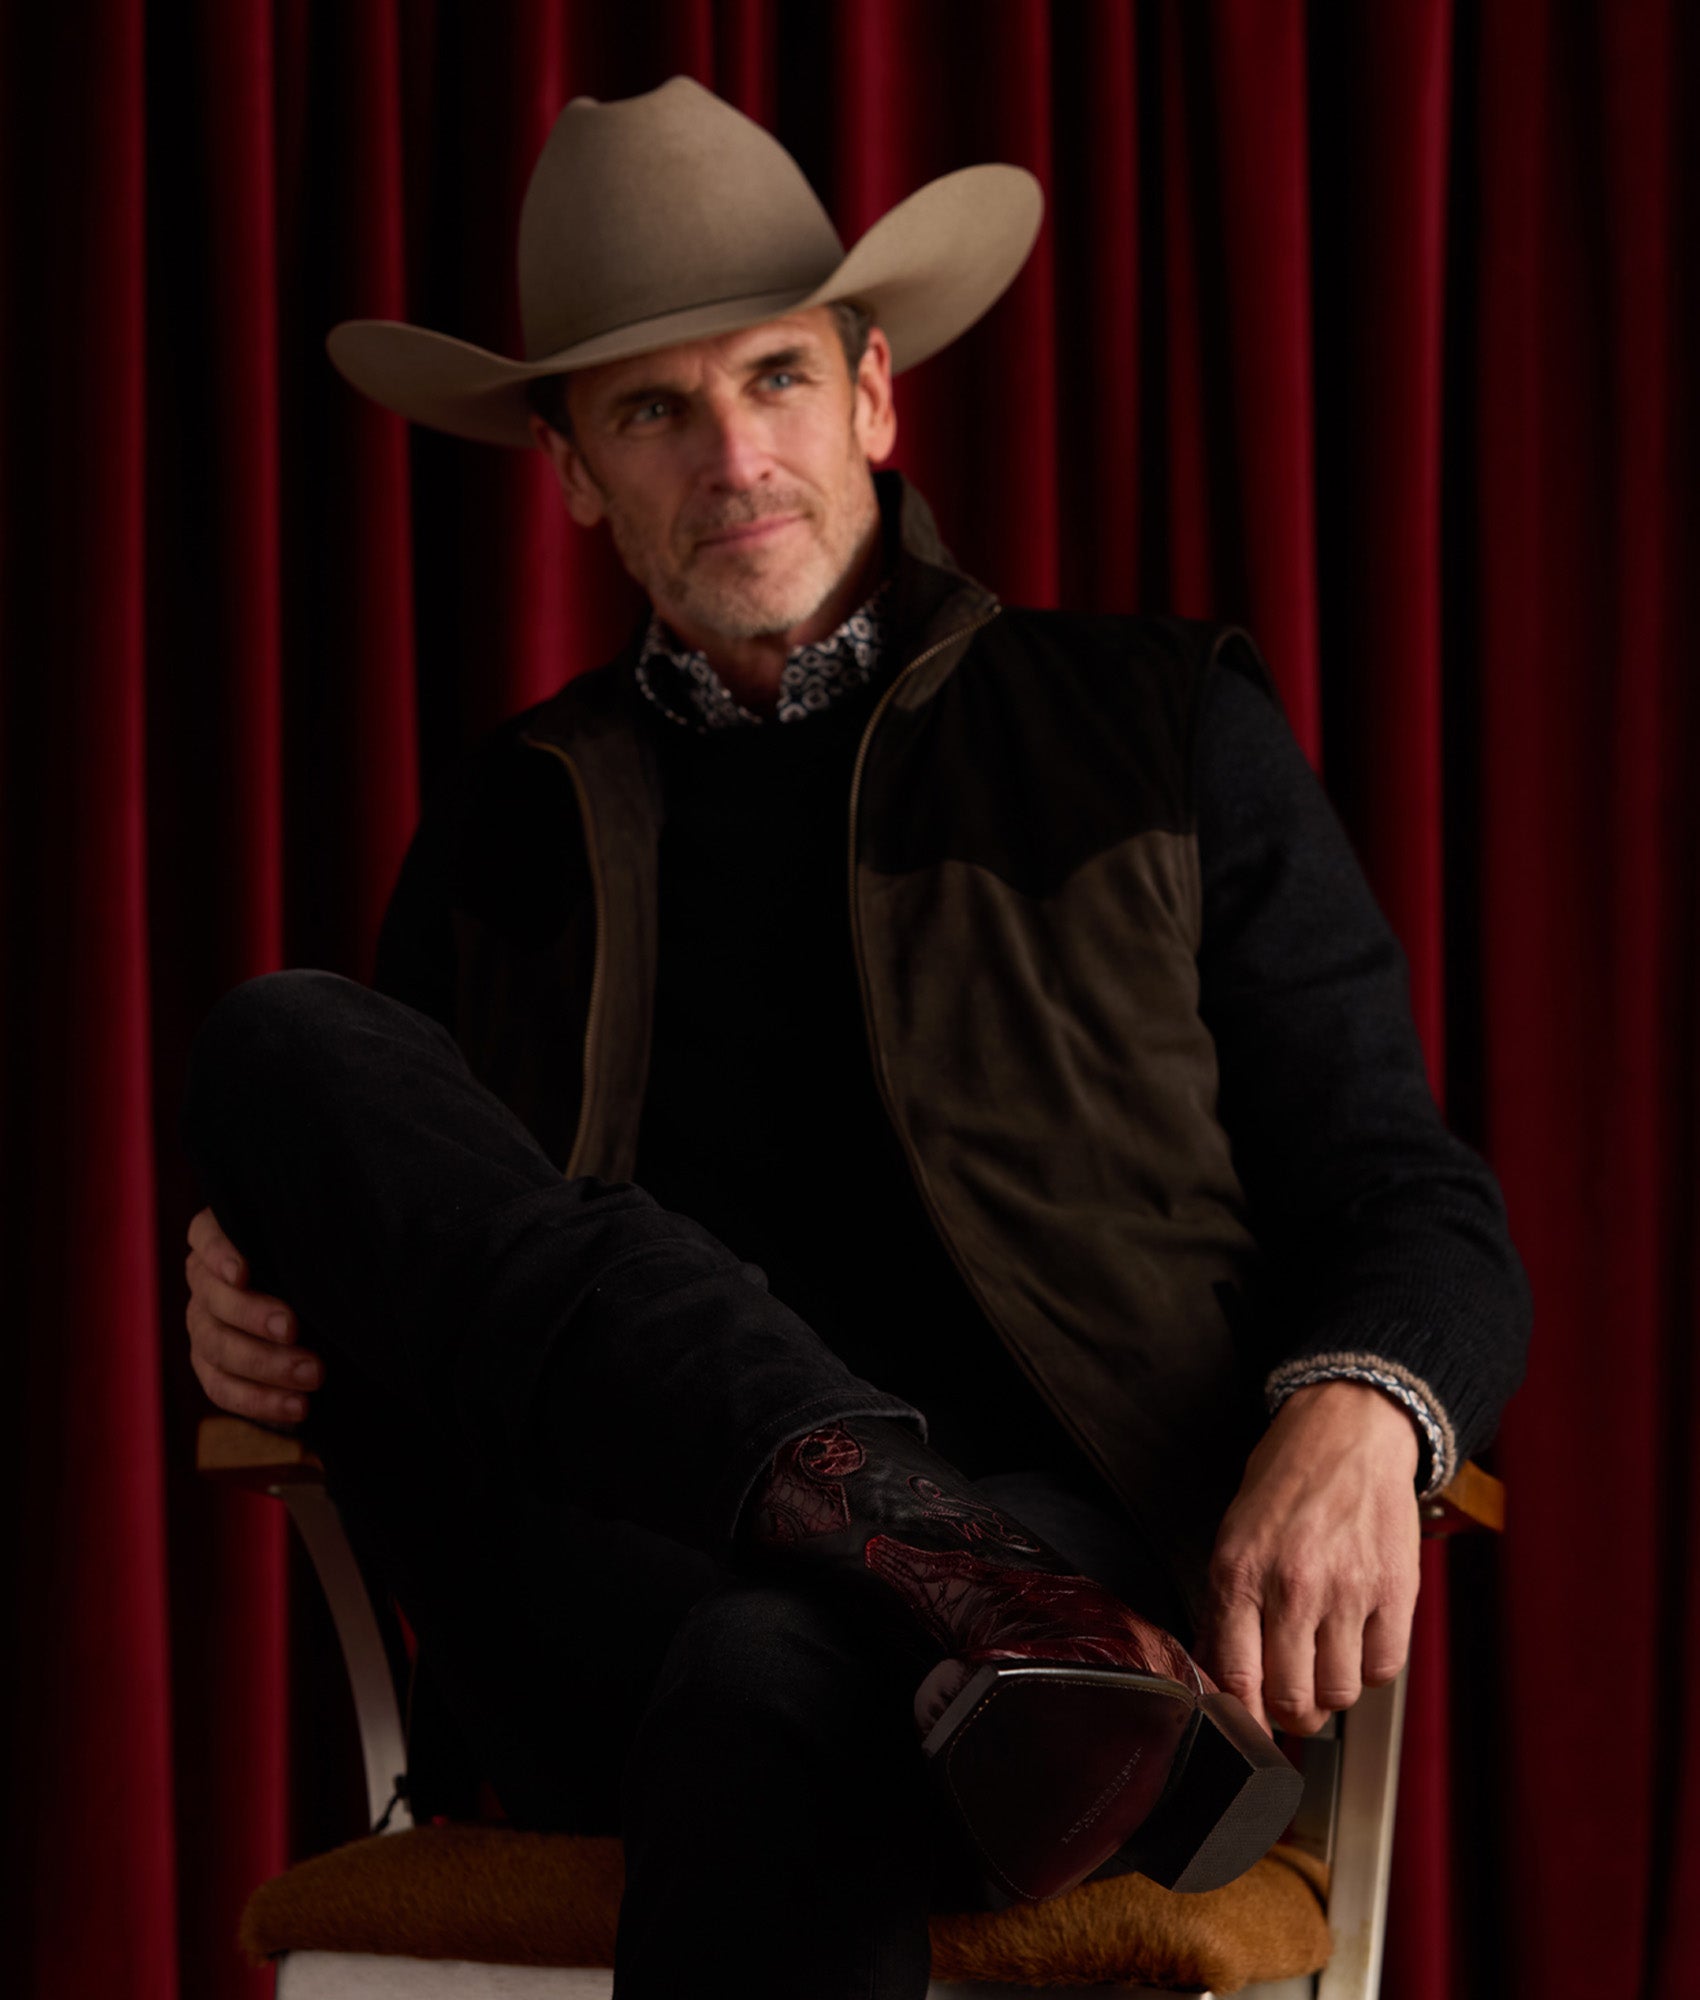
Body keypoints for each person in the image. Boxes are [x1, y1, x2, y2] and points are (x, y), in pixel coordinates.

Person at [181, 77, 1529, 1997]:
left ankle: (950, 1586)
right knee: (275, 1043)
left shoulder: (1156, 725)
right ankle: (921, 1560)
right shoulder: (503, 817)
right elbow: (444, 1229)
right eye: (652, 410)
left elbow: (1408, 1192)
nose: (733, 455)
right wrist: (272, 1270)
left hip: (1071, 1590)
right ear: (573, 472)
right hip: (599, 1580)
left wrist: (1368, 1404)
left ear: (874, 393)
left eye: (775, 378)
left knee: (784, 1667)